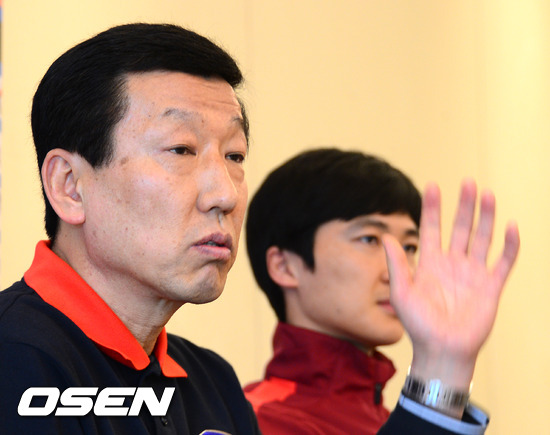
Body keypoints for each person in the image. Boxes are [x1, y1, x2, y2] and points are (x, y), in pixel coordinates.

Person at [0, 23, 519, 435]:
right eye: (181, 149)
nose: (225, 194)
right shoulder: (17, 358)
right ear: (69, 186)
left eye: (235, 156)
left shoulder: (211, 382)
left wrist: (443, 364)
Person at [244, 148, 520, 434]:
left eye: (409, 247)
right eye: (369, 239)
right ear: (285, 266)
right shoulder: (253, 422)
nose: (398, 272)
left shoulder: (392, 421)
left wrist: (446, 361)